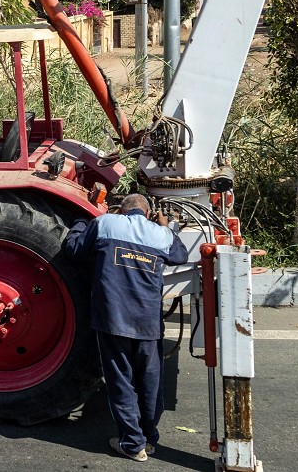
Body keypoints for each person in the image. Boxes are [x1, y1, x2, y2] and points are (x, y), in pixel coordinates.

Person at [62, 193, 188, 462]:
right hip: (148, 324)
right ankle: (148, 439)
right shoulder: (160, 235)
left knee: (122, 381)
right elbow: (180, 256)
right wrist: (164, 226)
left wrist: (82, 221)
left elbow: (73, 249)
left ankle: (132, 444)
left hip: (113, 320)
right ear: (148, 212)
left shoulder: (106, 223)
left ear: (122, 209)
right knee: (150, 382)